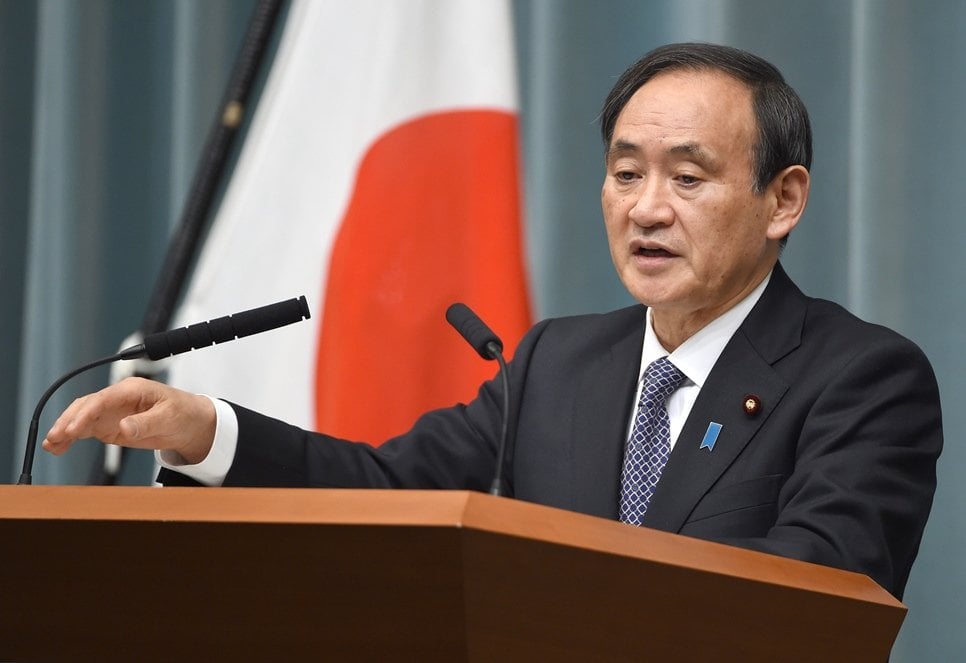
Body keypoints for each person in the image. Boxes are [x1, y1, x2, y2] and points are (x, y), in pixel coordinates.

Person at [43, 42, 942, 599]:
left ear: (782, 199)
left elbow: (811, 595)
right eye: (627, 174)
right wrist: (211, 433)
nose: (647, 209)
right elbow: (388, 489)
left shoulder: (862, 377)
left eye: (689, 176)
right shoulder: (559, 361)